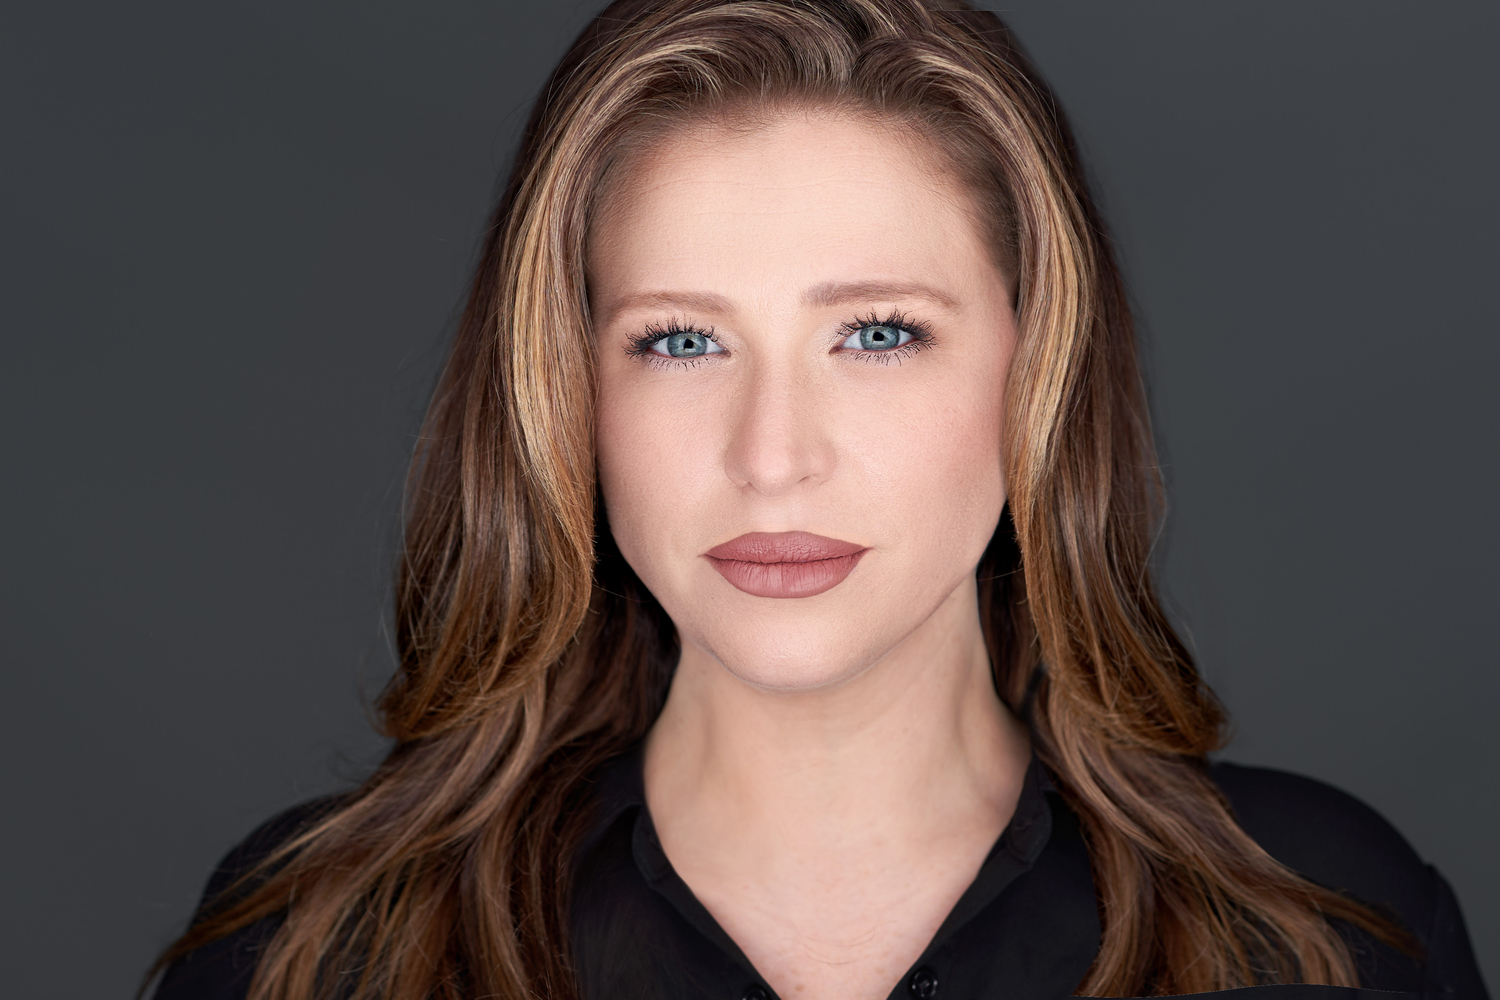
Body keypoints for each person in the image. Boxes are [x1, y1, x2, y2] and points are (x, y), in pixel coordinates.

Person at [144, 2, 1488, 999]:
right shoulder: (316, 953)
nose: (772, 455)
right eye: (681, 340)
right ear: (567, 391)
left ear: (1038, 369)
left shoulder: (1327, 930)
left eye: (878, 333)